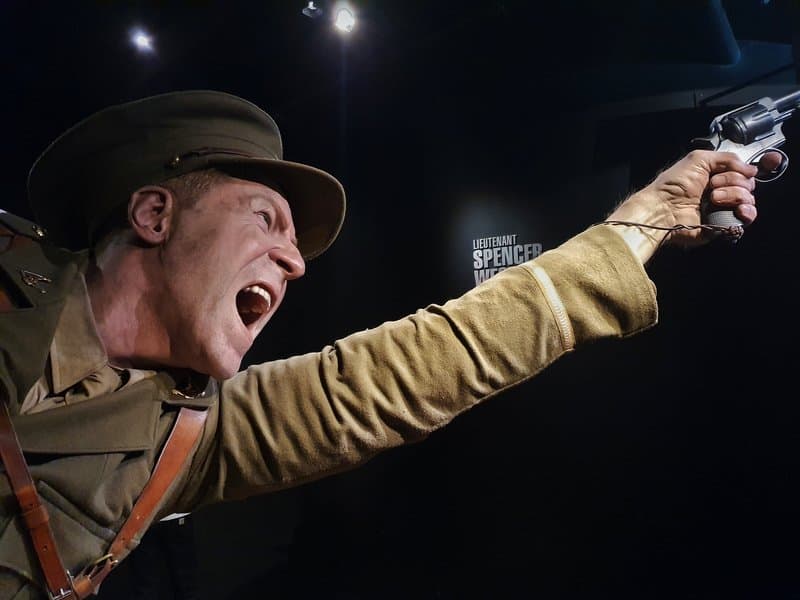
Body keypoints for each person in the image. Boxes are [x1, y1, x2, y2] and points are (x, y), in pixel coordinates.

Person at [0, 89, 779, 599]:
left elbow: (414, 367)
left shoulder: (184, 435)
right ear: (155, 216)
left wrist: (639, 223)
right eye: (266, 220)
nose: (297, 262)